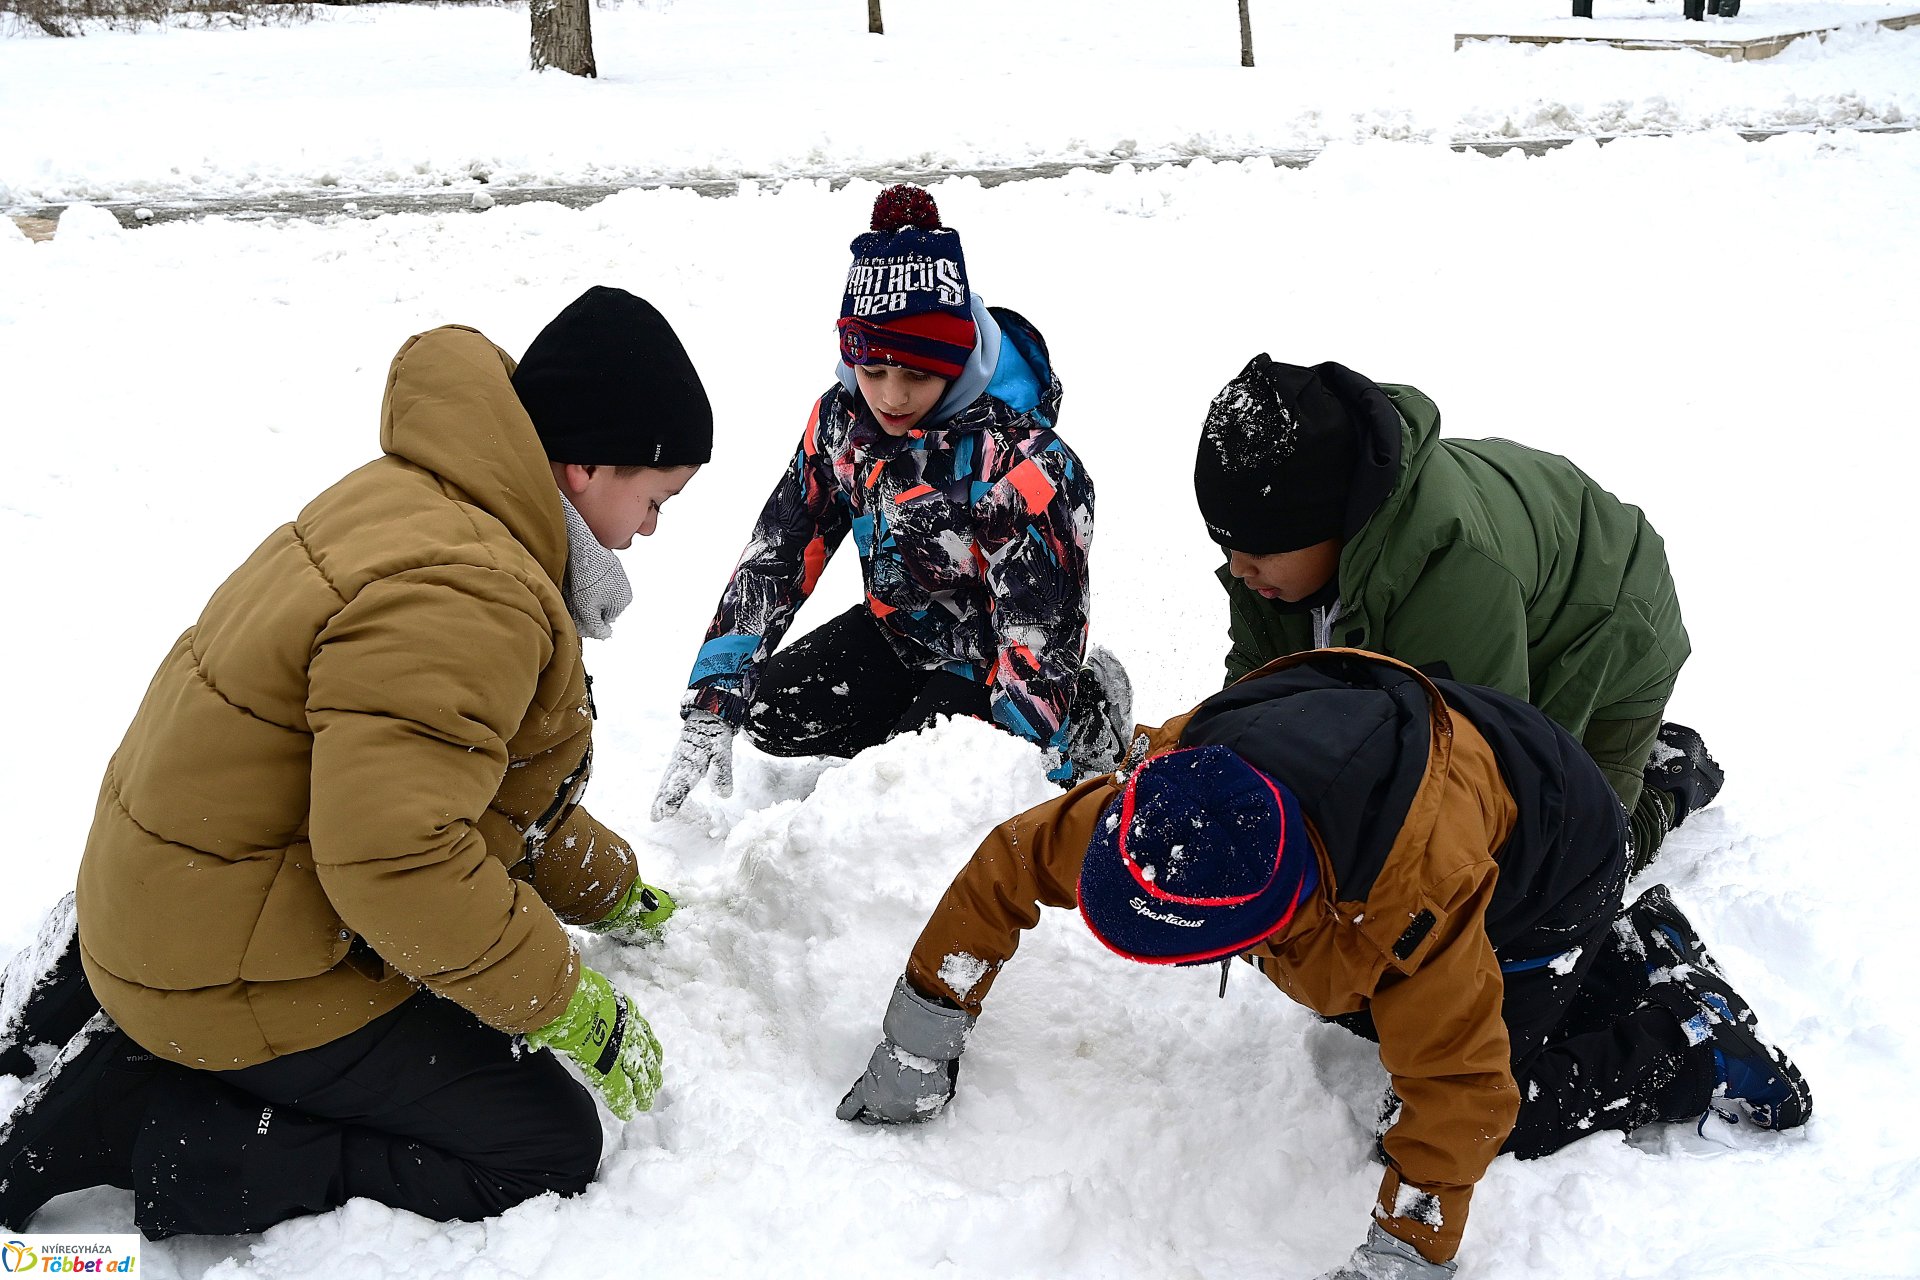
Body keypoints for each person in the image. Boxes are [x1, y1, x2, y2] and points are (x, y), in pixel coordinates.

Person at [0, 286, 711, 1238]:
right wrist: (563, 998)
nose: (655, 528)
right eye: (657, 496)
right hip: (212, 962)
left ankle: (113, 1016)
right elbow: (403, 859)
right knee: (541, 1143)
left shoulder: (427, 497)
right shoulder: (473, 591)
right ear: (582, 466)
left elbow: (479, 792)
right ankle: (149, 1122)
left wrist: (610, 888)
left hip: (168, 891)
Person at [837, 648, 1810, 1279]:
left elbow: (1460, 1093)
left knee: (1485, 1107)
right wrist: (925, 1026)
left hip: (1550, 874)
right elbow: (1010, 863)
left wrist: (1404, 1252)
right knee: (1367, 1015)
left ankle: (1687, 1039)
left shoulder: (1407, 908)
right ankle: (1640, 950)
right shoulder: (1167, 808)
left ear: (1263, 920)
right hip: (1488, 782)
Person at [652, 184, 1127, 820]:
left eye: (917, 375)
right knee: (771, 715)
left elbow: (1038, 635)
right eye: (873, 371)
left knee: (927, 787)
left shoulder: (1024, 464)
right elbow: (780, 552)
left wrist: (1021, 779)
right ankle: (909, 726)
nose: (891, 396)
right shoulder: (841, 425)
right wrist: (716, 695)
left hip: (992, 660)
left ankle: (1089, 711)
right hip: (898, 633)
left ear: (958, 363)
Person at [1195, 356, 1721, 871]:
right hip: (1515, 613)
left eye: (1259, 550)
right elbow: (1258, 693)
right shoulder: (1274, 561)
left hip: (1612, 627)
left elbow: (1483, 776)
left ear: (1331, 521)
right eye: (1227, 545)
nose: (1239, 568)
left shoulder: (1451, 574)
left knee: (1553, 873)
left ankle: (1667, 782)